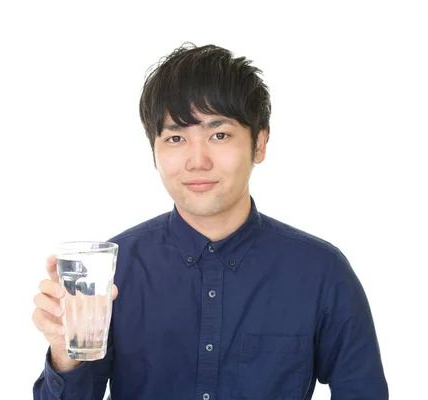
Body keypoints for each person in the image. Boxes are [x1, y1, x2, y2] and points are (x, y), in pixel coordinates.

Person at [32, 43, 388, 400]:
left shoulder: (321, 272)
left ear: (260, 143)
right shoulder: (114, 272)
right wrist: (65, 355)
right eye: (175, 138)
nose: (197, 161)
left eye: (219, 135)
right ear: (154, 152)